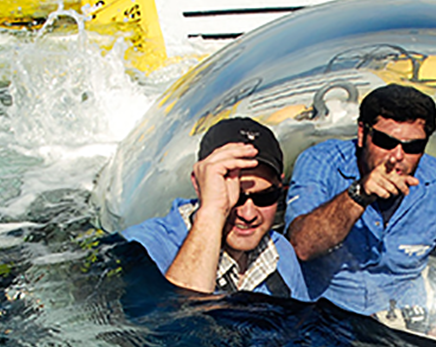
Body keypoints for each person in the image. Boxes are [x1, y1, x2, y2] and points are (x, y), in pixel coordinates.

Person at [285, 83, 436, 326]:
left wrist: (435, 341)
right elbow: (301, 246)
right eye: (385, 142)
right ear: (361, 134)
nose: (397, 156)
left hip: (403, 327)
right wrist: (359, 194)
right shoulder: (320, 163)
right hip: (322, 322)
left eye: (412, 146)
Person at [120, 117, 310, 300]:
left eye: (265, 196)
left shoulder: (280, 253)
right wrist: (214, 211)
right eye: (234, 198)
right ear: (199, 184)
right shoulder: (143, 247)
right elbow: (175, 324)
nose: (248, 214)